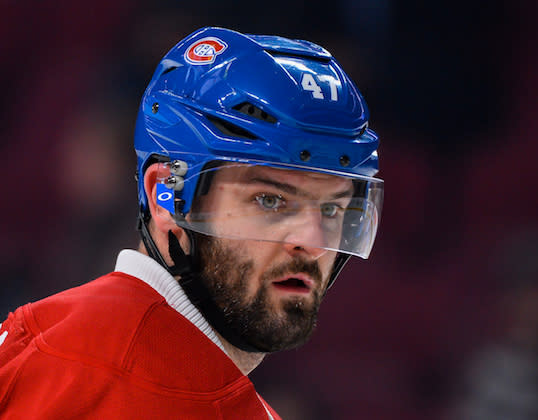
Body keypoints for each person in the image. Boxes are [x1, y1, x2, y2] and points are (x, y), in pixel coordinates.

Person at [0, 27, 383, 419]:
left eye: (333, 210)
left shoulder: (33, 345)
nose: (313, 243)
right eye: (270, 200)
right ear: (166, 197)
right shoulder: (152, 393)